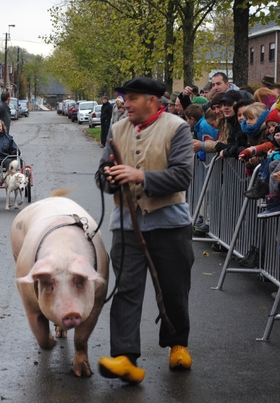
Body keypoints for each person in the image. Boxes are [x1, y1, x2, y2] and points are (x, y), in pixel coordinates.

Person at [95, 77, 194, 384]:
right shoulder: (117, 129)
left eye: (132, 98)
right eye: (125, 98)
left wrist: (139, 175)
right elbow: (101, 177)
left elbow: (182, 175)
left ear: (153, 100)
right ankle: (125, 357)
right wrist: (110, 177)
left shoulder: (177, 128)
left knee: (174, 290)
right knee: (126, 289)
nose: (125, 104)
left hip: (169, 222)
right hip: (126, 223)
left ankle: (178, 345)